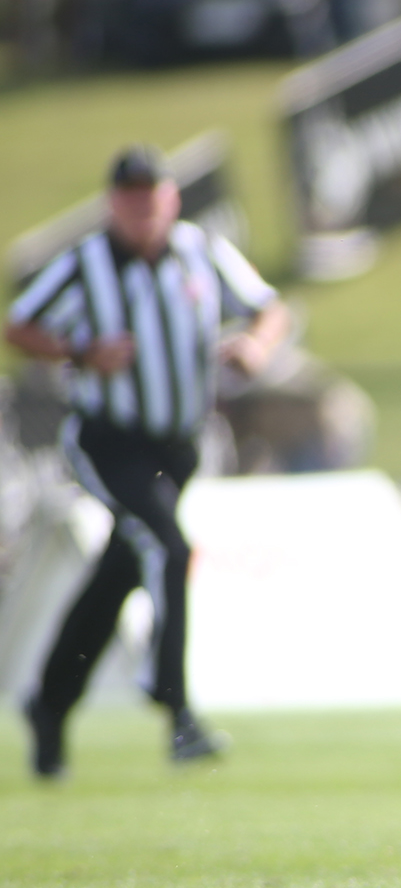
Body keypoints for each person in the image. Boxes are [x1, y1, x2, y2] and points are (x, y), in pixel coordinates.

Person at [5, 144, 290, 779]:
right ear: (113, 206)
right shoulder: (85, 264)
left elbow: (268, 306)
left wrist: (256, 346)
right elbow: (18, 325)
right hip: (109, 439)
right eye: (130, 201)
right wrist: (81, 351)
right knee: (168, 545)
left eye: (152, 199)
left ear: (171, 199)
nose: (143, 213)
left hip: (178, 444)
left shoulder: (201, 251)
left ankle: (50, 704)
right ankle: (175, 705)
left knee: (117, 578)